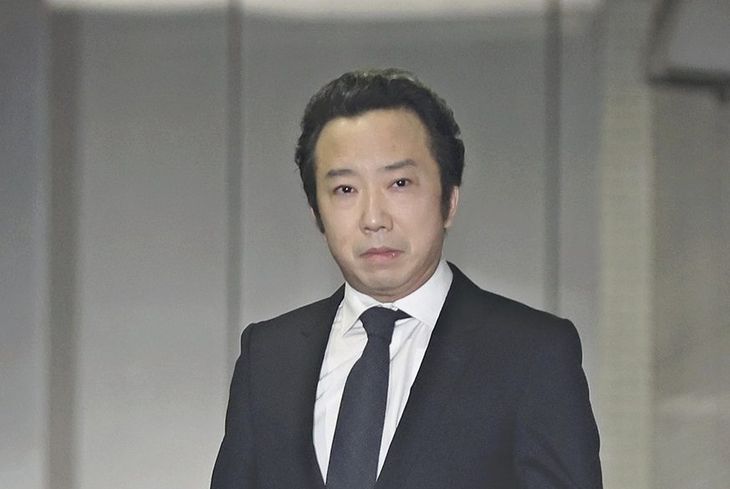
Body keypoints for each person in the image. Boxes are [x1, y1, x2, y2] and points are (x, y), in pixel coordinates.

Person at [211, 68, 602, 489]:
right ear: (316, 214)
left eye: (399, 183)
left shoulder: (530, 354)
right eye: (345, 190)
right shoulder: (268, 357)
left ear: (449, 201)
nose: (374, 219)